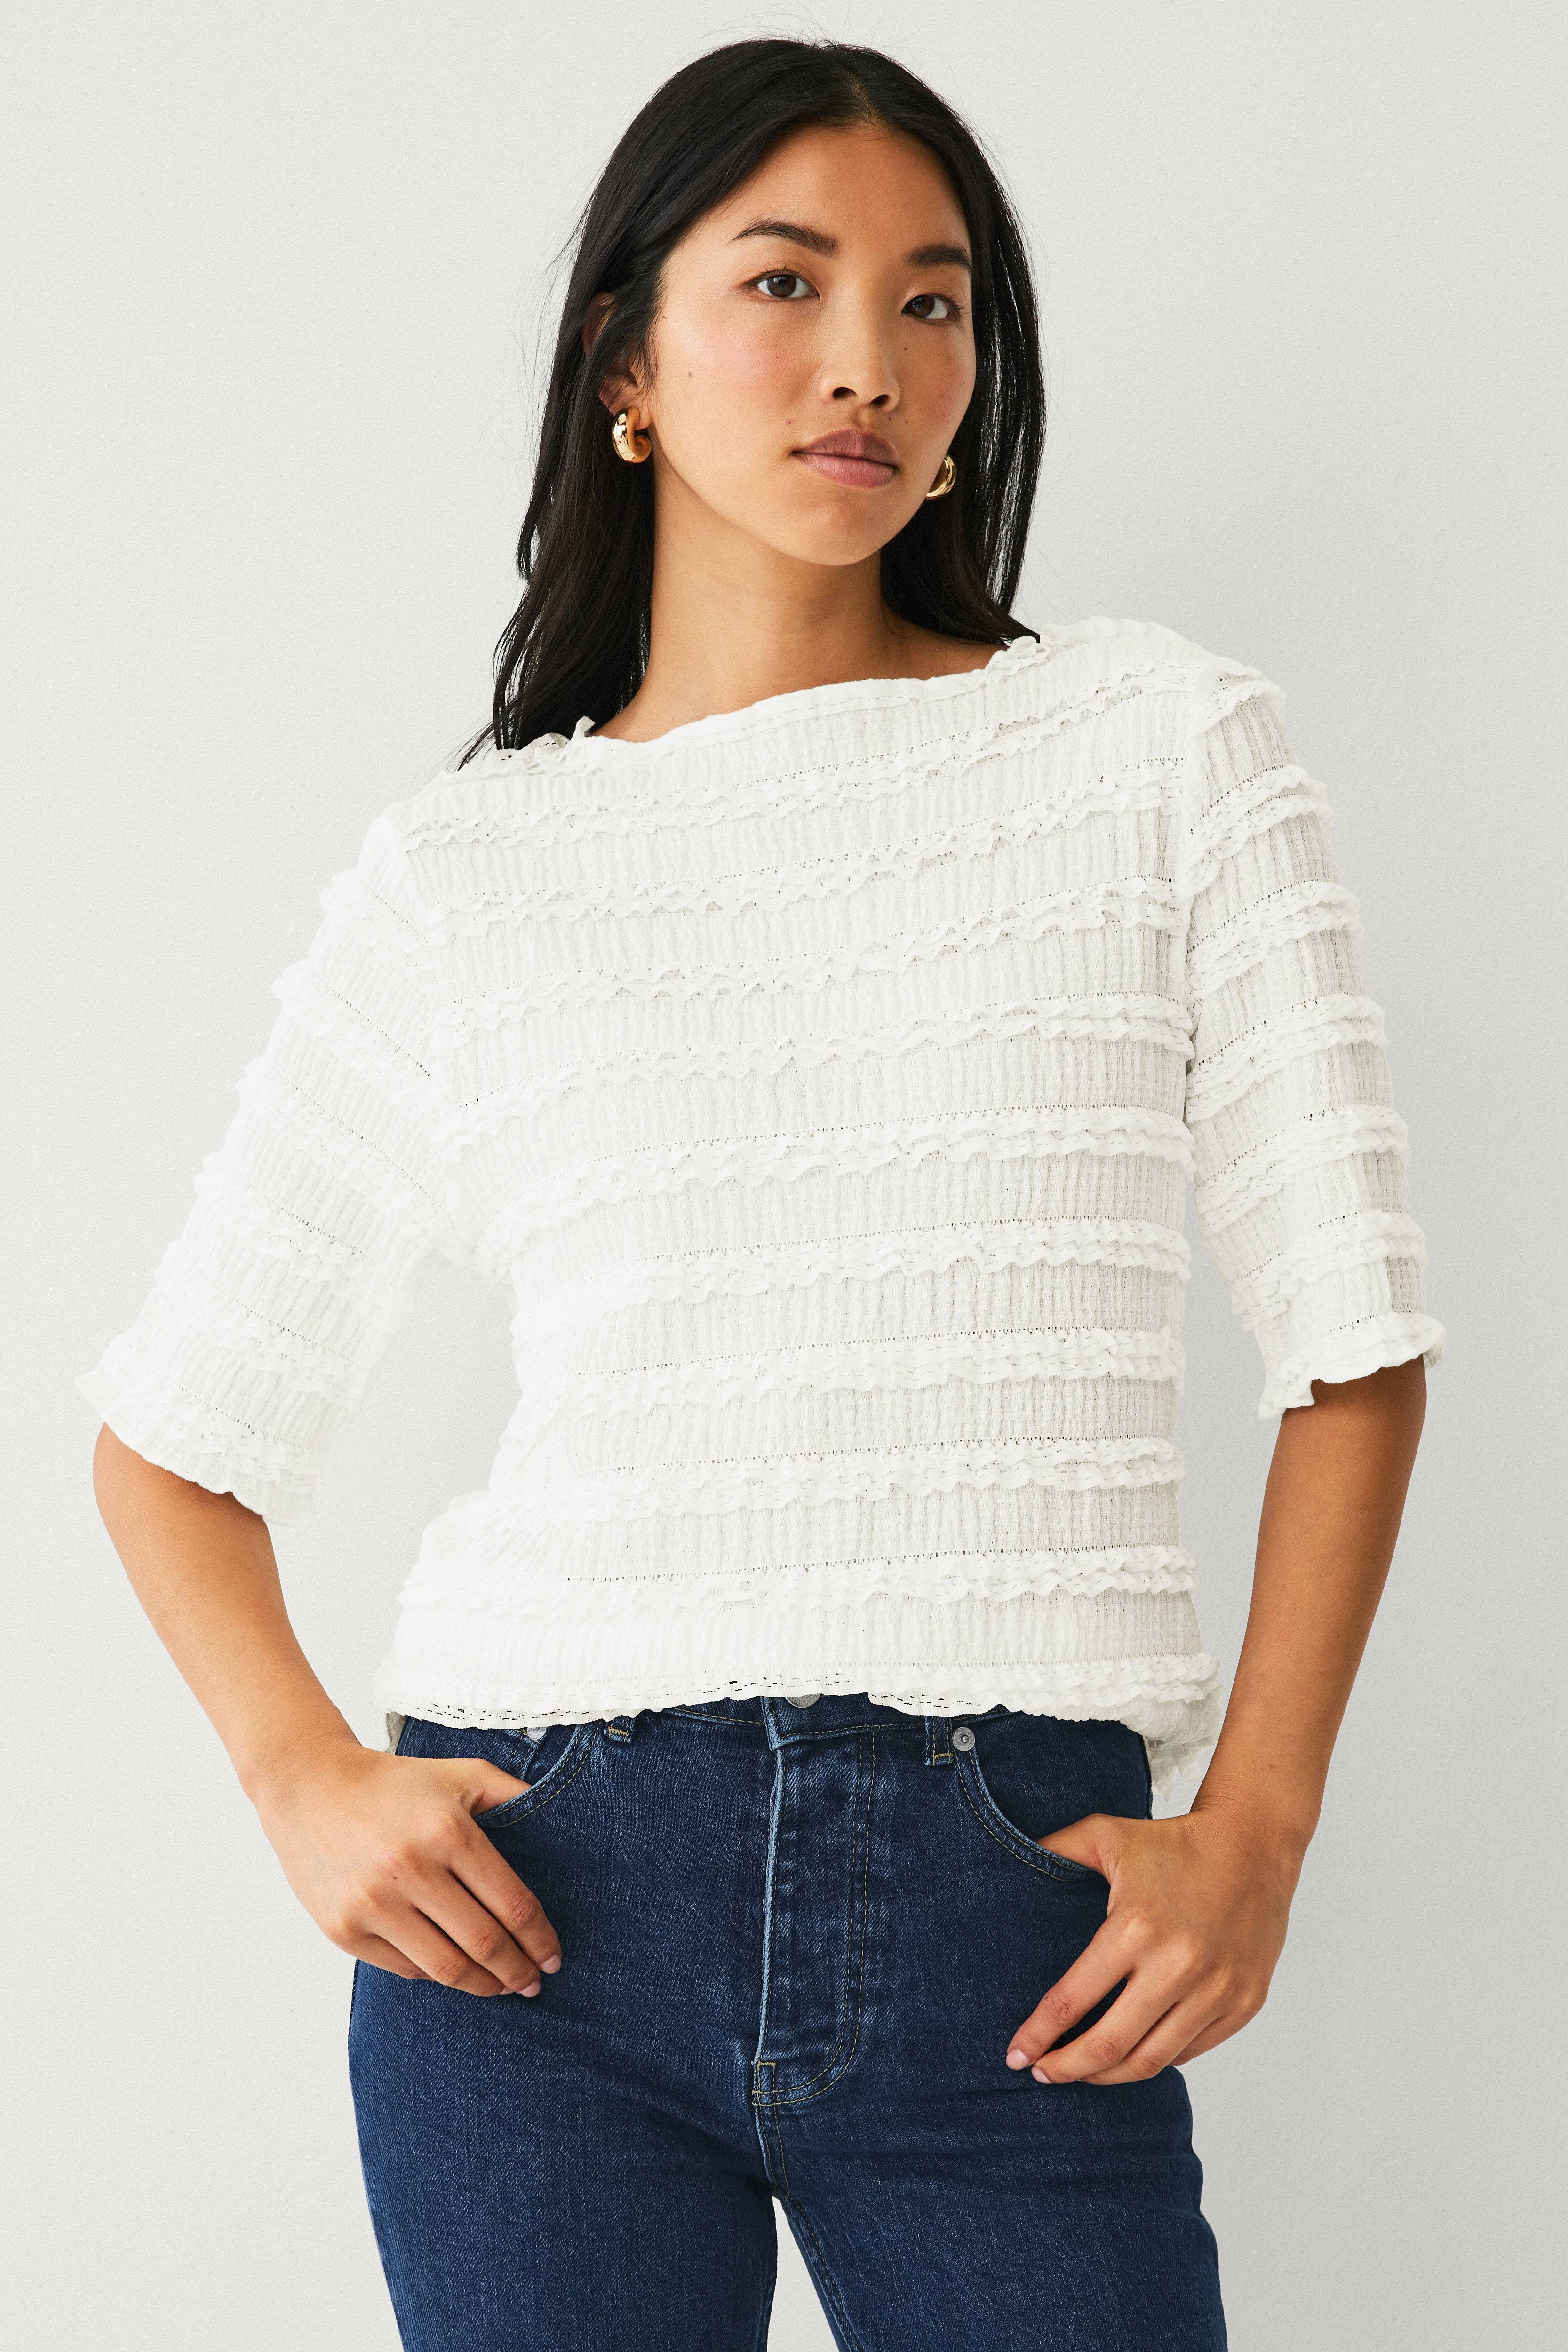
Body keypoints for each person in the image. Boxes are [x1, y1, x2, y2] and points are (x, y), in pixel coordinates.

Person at [77, 36, 1443, 2352]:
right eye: (786, 282)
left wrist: (1261, 1832)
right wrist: (306, 1777)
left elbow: (1356, 1347)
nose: (867, 361)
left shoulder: (1159, 747)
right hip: (543, 1918)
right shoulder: (474, 869)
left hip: (1024, 1911)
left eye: (934, 301)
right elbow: (170, 1442)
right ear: (626, 362)